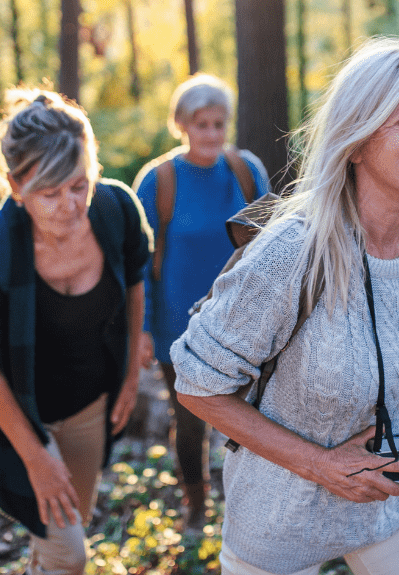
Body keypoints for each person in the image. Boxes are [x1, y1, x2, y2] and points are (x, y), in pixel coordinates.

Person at [170, 37, 399, 575]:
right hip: (278, 526)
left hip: (385, 506)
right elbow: (194, 380)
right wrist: (322, 465)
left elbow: (389, 363)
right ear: (354, 141)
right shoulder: (294, 251)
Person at [0, 89, 151, 575]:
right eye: (50, 193)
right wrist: (36, 457)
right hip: (17, 410)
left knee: (66, 531)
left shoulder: (115, 209)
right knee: (69, 554)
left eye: (80, 184)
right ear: (17, 187)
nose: (70, 205)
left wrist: (128, 378)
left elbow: (138, 281)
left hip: (89, 403)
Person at [133, 73, 269, 533]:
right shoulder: (159, 181)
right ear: (183, 126)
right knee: (192, 421)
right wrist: (143, 329)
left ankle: (247, 510)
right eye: (201, 124)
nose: (211, 134)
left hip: (244, 323)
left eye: (218, 124)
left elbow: (273, 248)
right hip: (180, 328)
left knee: (251, 421)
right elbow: (139, 265)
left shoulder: (247, 171)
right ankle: (196, 507)